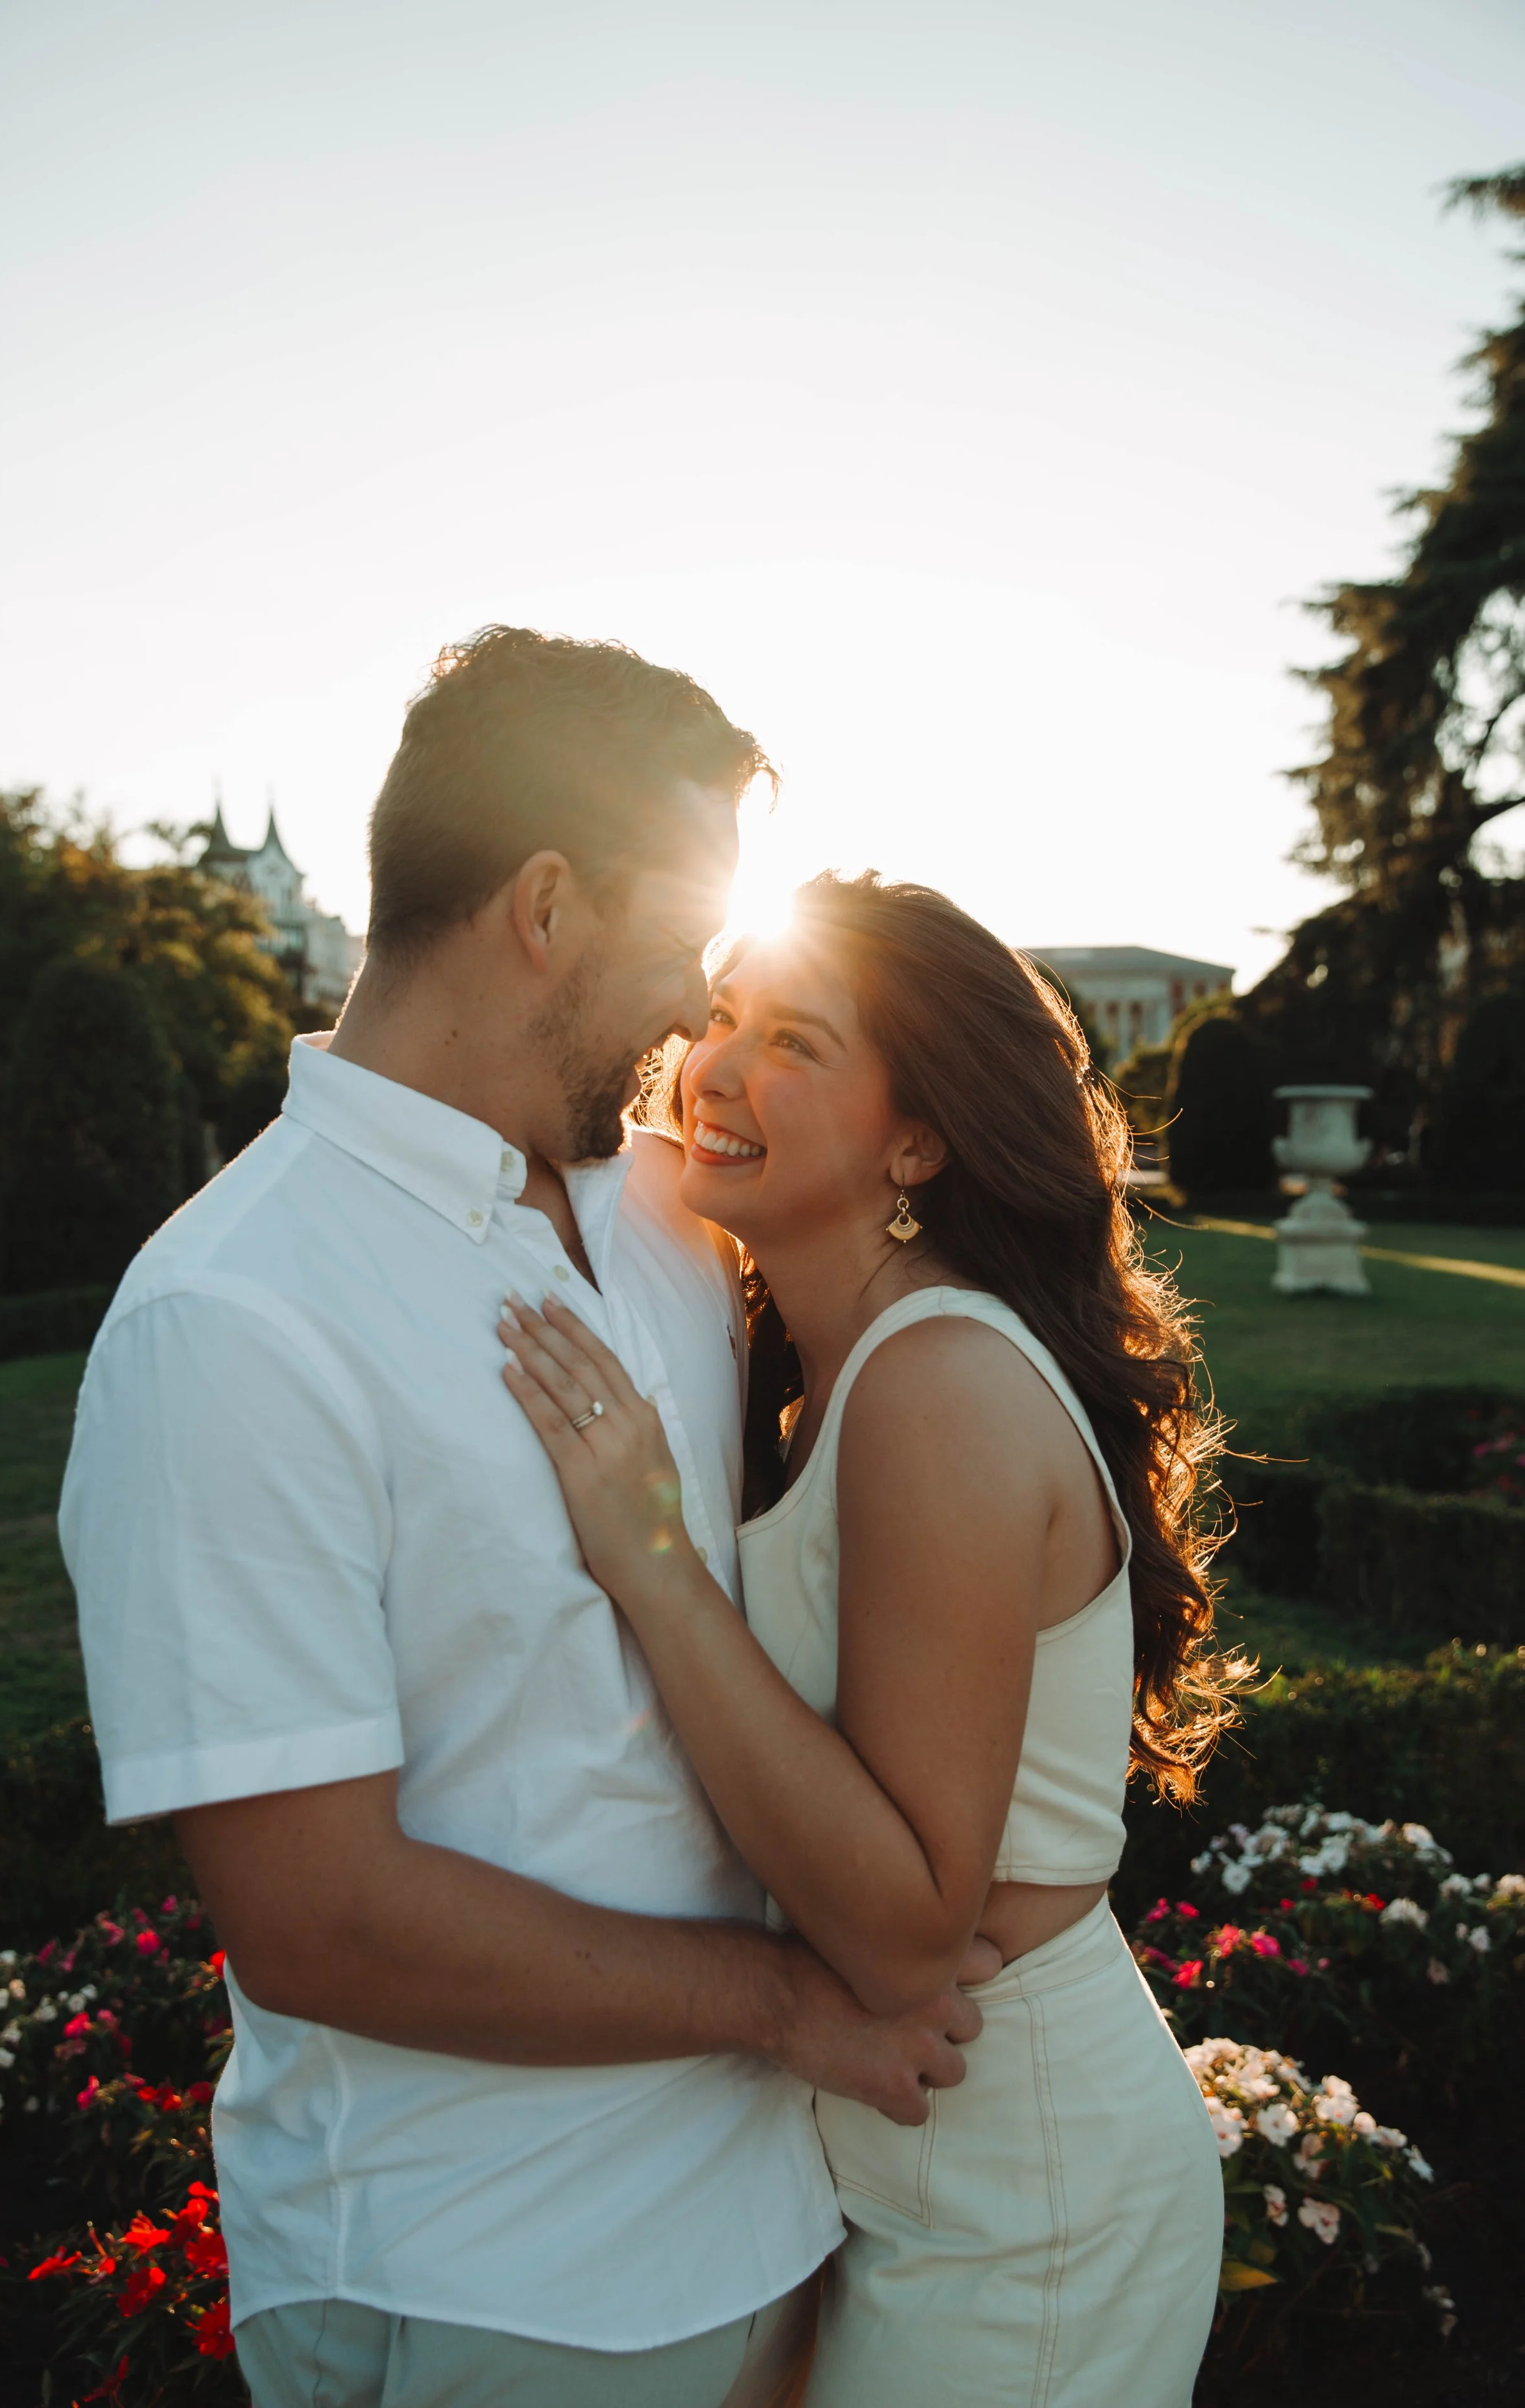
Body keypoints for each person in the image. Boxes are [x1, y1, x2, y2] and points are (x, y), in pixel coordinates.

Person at [60, 638, 983, 2408]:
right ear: (548, 904)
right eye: (678, 941)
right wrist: (794, 2004)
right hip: (488, 2281)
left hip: (784, 2220)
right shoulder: (233, 1316)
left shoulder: (659, 1217)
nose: (691, 1008)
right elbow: (321, 1916)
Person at [500, 870, 1235, 2408]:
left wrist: (647, 1553)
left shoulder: (936, 1385)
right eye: (716, 1018)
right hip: (903, 2151)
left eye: (793, 1042)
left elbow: (905, 1934)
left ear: (915, 1140)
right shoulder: (822, 1359)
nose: (714, 1067)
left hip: (1020, 2195)